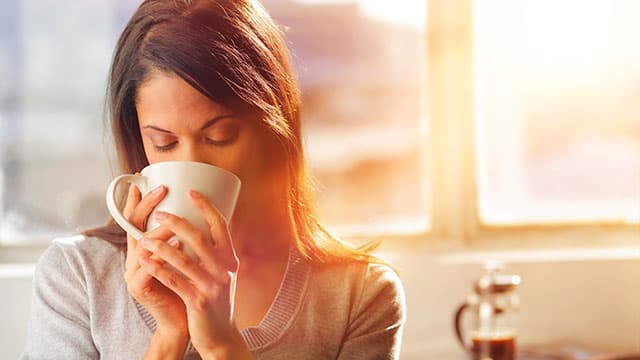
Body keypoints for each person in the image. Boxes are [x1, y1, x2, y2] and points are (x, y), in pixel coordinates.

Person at [21, 0, 406, 359]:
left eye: (219, 137)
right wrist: (168, 339)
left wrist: (223, 346)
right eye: (164, 142)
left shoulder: (360, 296)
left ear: (272, 130)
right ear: (138, 139)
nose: (192, 165)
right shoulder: (78, 278)